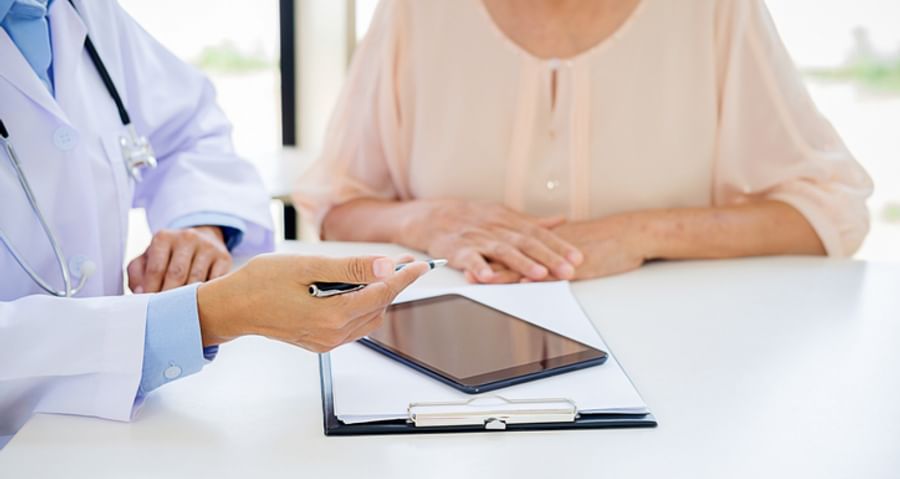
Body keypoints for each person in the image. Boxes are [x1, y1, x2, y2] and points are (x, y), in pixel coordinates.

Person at [0, 0, 429, 447]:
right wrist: (208, 315)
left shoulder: (74, 10)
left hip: (94, 441)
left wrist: (202, 225)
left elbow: (190, 131)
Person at [295, 0, 873, 284]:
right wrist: (427, 220)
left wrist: (642, 233)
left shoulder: (713, 10)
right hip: (446, 367)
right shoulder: (417, 10)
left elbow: (829, 212)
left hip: (682, 370)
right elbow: (337, 208)